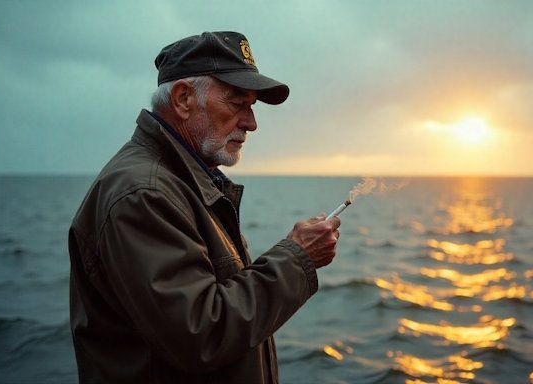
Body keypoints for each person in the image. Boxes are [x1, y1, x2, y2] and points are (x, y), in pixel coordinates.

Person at [68, 31, 341, 383]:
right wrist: (297, 257)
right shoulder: (143, 193)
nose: (251, 123)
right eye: (236, 102)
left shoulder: (183, 181)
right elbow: (200, 334)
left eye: (252, 106)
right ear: (183, 99)